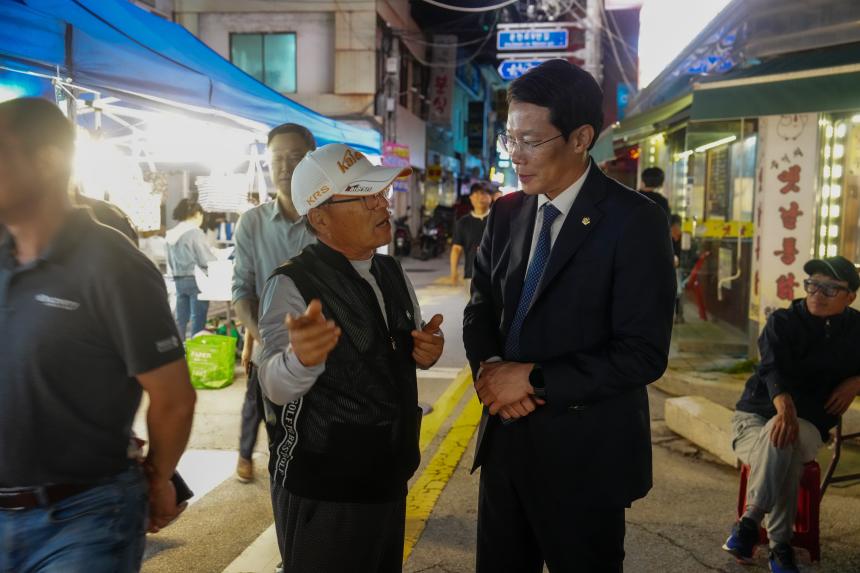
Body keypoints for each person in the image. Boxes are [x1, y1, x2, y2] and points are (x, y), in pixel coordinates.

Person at [462, 60, 675, 572]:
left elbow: (643, 352)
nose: (516, 156)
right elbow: (480, 308)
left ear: (581, 138)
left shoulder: (634, 221)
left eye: (531, 142)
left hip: (586, 459)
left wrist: (532, 380)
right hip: (506, 449)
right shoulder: (508, 213)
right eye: (510, 140)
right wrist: (492, 371)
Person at [0, 98, 195, 572]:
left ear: (46, 161)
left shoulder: (112, 263)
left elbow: (173, 399)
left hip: (83, 517)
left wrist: (160, 478)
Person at [257, 143, 444, 572]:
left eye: (379, 193)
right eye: (363, 197)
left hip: (388, 476)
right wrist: (301, 360)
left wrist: (425, 352)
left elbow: (401, 350)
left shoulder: (390, 271)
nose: (381, 204)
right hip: (326, 488)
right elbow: (273, 383)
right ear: (320, 218)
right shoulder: (292, 283)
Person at [722, 256, 860, 573]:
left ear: (850, 296)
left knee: (786, 434)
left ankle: (748, 524)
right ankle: (780, 546)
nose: (817, 293)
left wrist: (857, 380)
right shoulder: (783, 322)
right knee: (782, 437)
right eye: (813, 284)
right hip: (753, 420)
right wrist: (783, 405)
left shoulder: (857, 330)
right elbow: (770, 367)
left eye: (830, 288)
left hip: (811, 423)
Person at [231, 123, 317, 482]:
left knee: (325, 447)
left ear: (311, 161)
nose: (284, 166)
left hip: (331, 351)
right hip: (273, 355)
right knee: (282, 448)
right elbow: (241, 293)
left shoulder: (331, 217)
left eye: (295, 157)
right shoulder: (252, 223)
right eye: (277, 158)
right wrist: (266, 342)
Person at [166, 198, 216, 340]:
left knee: (181, 318)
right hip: (196, 280)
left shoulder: (171, 234)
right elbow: (206, 259)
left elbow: (170, 261)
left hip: (178, 280)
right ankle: (195, 349)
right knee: (198, 317)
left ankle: (181, 349)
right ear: (197, 214)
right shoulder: (195, 232)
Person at [449, 182, 492, 288]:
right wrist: (454, 272)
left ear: (490, 197)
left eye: (484, 194)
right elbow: (456, 249)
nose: (480, 197)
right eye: (476, 194)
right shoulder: (463, 222)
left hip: (496, 276)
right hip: (472, 276)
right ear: (471, 198)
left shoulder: (499, 219)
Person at [670, 213, 685, 324]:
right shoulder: (666, 239)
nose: (675, 230)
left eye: (677, 227)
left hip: (681, 270)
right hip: (670, 270)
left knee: (679, 292)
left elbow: (691, 255)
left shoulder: (685, 240)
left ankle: (679, 315)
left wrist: (680, 262)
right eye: (673, 228)